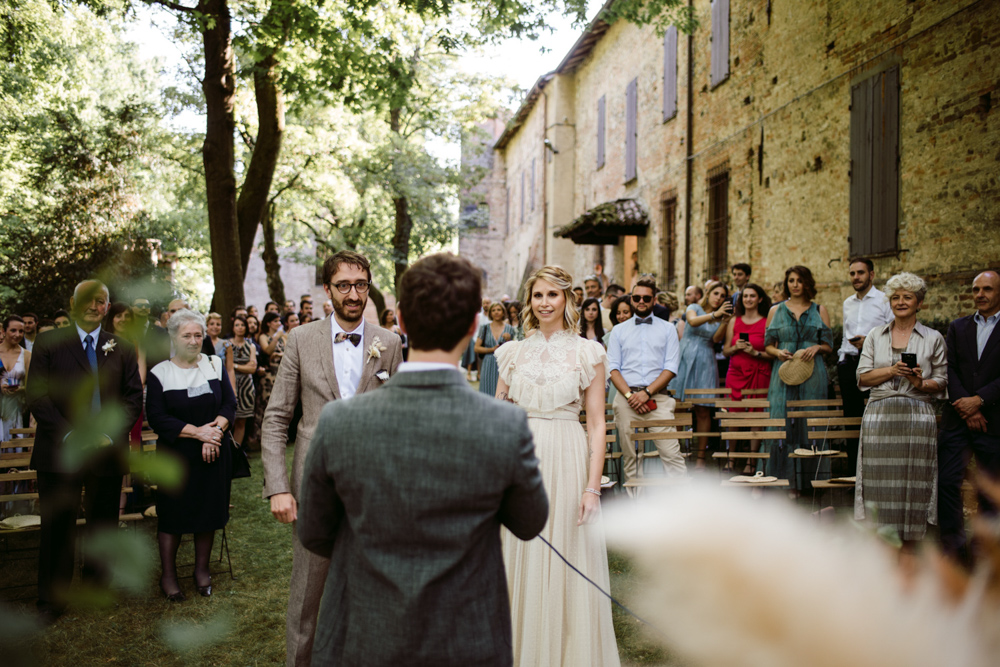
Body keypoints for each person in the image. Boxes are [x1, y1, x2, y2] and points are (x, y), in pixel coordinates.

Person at [297, 253, 547, 666]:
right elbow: (529, 522)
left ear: (402, 322)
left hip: (365, 635)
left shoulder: (339, 422)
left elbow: (315, 533)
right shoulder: (504, 424)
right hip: (467, 638)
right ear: (472, 325)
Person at [262, 250, 402, 667]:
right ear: (328, 290)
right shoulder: (302, 340)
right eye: (344, 285)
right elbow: (276, 418)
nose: (354, 294)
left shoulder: (389, 342)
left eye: (361, 284)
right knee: (308, 596)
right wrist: (278, 487)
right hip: (313, 488)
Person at [494, 265, 620, 666]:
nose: (545, 302)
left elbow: (597, 423)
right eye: (538, 295)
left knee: (567, 550)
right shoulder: (512, 352)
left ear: (567, 299)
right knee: (518, 552)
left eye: (552, 294)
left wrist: (592, 487)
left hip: (568, 455)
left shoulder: (588, 352)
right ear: (528, 301)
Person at [26, 280, 142, 624]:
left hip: (106, 451)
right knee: (57, 526)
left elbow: (133, 398)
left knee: (103, 525)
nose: (95, 306)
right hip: (60, 450)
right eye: (88, 300)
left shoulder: (119, 347)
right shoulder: (49, 343)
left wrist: (109, 434)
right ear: (74, 304)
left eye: (102, 301)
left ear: (107, 307)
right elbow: (37, 396)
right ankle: (52, 599)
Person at [145, 309, 237, 600]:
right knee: (173, 515)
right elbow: (158, 418)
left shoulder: (214, 364)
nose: (194, 340)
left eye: (198, 334)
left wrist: (215, 435)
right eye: (187, 335)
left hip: (212, 454)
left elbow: (229, 406)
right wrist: (199, 433)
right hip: (176, 458)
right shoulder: (160, 373)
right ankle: (169, 576)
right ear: (173, 336)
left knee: (208, 511)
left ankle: (201, 571)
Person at [855, 273, 946, 556]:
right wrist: (892, 370)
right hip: (879, 417)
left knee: (915, 480)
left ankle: (912, 547)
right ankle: (879, 542)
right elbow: (862, 378)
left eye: (907, 297)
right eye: (895, 297)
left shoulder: (933, 337)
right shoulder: (874, 335)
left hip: (917, 417)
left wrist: (920, 383)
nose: (901, 302)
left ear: (919, 302)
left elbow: (942, 381)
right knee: (877, 481)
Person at [938, 270, 1000, 564]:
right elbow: (949, 368)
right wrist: (966, 405)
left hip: (993, 420)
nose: (980, 295)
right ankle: (953, 547)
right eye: (976, 289)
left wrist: (980, 401)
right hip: (957, 420)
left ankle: (983, 549)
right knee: (948, 482)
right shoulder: (958, 327)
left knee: (990, 488)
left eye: (987, 289)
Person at [764, 266, 834, 492]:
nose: (795, 284)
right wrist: (778, 353)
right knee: (781, 421)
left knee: (811, 422)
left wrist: (816, 346)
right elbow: (767, 346)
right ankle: (783, 482)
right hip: (782, 373)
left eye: (799, 280)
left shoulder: (820, 310)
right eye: (791, 280)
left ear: (807, 284)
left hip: (813, 373)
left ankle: (812, 483)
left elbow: (829, 346)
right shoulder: (775, 310)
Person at [608, 277, 682, 484]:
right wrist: (631, 396)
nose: (641, 301)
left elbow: (671, 368)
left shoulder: (668, 329)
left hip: (657, 399)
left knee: (672, 456)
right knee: (631, 458)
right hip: (626, 399)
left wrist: (646, 393)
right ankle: (634, 506)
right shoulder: (618, 330)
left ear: (654, 300)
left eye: (646, 298)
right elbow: (613, 368)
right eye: (637, 297)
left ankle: (684, 506)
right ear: (631, 299)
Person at [838, 257, 893, 475]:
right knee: (851, 419)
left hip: (875, 365)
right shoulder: (847, 303)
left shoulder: (884, 300)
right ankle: (853, 474)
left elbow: (892, 333)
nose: (856, 277)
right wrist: (842, 359)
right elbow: (845, 335)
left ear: (871, 274)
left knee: (877, 417)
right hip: (849, 363)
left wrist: (869, 342)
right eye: (852, 273)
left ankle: (877, 473)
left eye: (860, 273)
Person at [673, 281, 732, 468]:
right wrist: (714, 314)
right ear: (708, 293)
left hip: (706, 360)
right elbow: (691, 321)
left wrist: (724, 321)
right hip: (685, 357)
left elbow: (716, 339)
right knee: (679, 407)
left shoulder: (720, 317)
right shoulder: (695, 307)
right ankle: (677, 453)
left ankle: (700, 457)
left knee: (703, 410)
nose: (719, 298)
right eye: (716, 293)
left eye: (723, 296)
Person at [722, 284, 774, 473]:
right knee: (733, 416)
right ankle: (731, 459)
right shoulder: (734, 321)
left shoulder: (767, 321)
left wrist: (755, 352)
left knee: (755, 416)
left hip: (759, 372)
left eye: (752, 296)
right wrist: (736, 348)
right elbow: (725, 350)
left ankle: (752, 461)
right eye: (745, 296)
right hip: (736, 373)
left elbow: (772, 352)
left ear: (760, 299)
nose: (748, 299)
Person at [474, 301, 514, 398]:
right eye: (493, 310)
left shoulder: (509, 329)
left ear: (503, 312)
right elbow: (476, 348)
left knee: (502, 392)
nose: (496, 312)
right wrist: (491, 349)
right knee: (486, 391)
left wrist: (509, 339)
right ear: (490, 313)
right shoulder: (485, 328)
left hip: (503, 364)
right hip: (488, 363)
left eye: (499, 310)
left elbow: (513, 350)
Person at [1, 315, 30, 442]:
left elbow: (32, 386)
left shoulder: (27, 355)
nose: (17, 334)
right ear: (4, 331)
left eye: (21, 331)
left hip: (17, 410)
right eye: (13, 330)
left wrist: (20, 389)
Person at [229, 315, 257, 447]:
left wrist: (234, 365)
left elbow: (252, 368)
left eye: (242, 325)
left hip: (246, 387)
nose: (240, 328)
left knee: (242, 421)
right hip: (230, 384)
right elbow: (225, 368)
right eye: (237, 325)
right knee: (230, 420)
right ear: (233, 327)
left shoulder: (250, 346)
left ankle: (236, 452)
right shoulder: (227, 344)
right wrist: (244, 367)